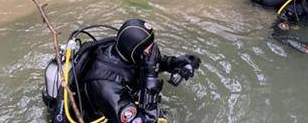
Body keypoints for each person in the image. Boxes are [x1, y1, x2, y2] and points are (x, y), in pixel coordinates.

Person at [43, 19, 200, 123]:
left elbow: (154, 61)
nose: (153, 51)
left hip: (118, 100)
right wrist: (151, 78)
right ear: (135, 51)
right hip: (102, 112)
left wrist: (179, 63)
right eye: (149, 48)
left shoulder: (126, 52)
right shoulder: (107, 86)